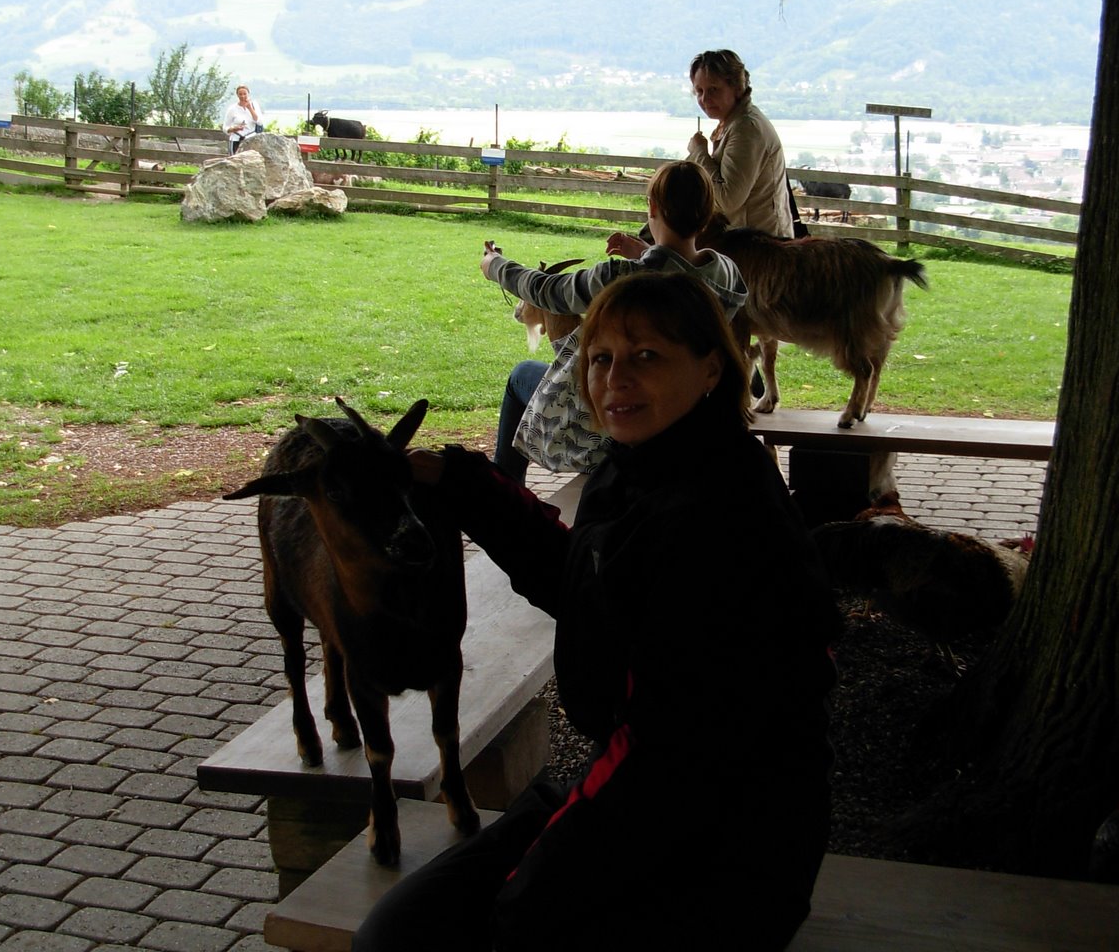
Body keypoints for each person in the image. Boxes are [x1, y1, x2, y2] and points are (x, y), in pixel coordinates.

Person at [355, 271, 840, 952]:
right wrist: (464, 485)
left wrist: (531, 887)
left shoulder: (724, 515)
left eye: (646, 356)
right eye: (600, 358)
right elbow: (584, 584)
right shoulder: (642, 466)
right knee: (398, 930)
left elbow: (671, 746)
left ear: (710, 368)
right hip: (650, 797)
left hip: (733, 842)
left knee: (471, 931)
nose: (615, 379)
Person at [484, 159, 746, 485]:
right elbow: (679, 271)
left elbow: (547, 291)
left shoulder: (624, 278)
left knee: (521, 375)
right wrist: (646, 252)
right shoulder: (727, 274)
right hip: (684, 415)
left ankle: (506, 491)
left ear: (652, 207)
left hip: (617, 420)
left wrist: (495, 266)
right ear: (707, 212)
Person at [685, 48, 794, 237]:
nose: (704, 99)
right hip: (751, 242)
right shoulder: (734, 122)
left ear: (736, 87)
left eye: (713, 90)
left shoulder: (746, 129)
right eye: (699, 91)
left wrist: (699, 153)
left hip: (760, 246)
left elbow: (728, 200)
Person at [222, 84, 265, 153]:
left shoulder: (254, 105)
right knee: (234, 159)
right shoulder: (232, 109)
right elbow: (225, 127)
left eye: (245, 94)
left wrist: (250, 108)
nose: (242, 96)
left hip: (251, 139)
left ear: (248, 94)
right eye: (240, 94)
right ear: (237, 95)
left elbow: (260, 122)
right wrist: (234, 129)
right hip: (236, 139)